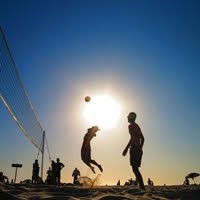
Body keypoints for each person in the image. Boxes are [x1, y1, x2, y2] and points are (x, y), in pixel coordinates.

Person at [122, 112, 145, 189]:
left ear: (131, 118)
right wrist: (140, 148)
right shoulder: (137, 126)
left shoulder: (131, 126)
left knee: (135, 169)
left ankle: (142, 187)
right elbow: (143, 138)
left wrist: (126, 149)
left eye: (128, 116)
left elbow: (133, 138)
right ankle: (142, 186)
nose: (127, 117)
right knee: (135, 169)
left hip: (135, 149)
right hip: (137, 149)